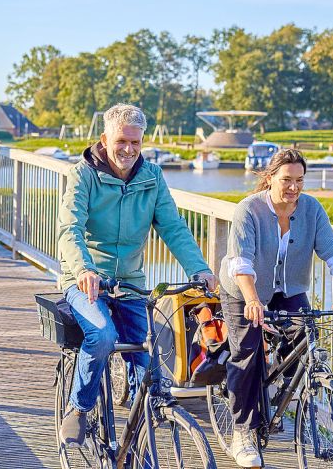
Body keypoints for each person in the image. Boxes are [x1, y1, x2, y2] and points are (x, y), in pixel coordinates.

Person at [56, 103, 218, 445]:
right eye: (121, 142)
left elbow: (173, 227)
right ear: (105, 138)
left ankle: (138, 442)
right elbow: (69, 229)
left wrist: (199, 268)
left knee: (149, 364)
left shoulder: (152, 176)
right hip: (84, 280)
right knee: (101, 335)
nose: (128, 149)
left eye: (136, 143)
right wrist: (84, 269)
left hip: (130, 282)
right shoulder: (82, 174)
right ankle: (79, 408)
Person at [217, 149, 333, 467]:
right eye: (286, 179)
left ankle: (276, 391)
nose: (293, 187)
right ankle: (242, 433)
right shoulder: (249, 210)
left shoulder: (311, 209)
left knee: (304, 336)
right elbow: (242, 260)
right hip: (243, 287)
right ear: (270, 177)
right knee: (247, 354)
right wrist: (251, 300)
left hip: (288, 290)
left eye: (299, 180)